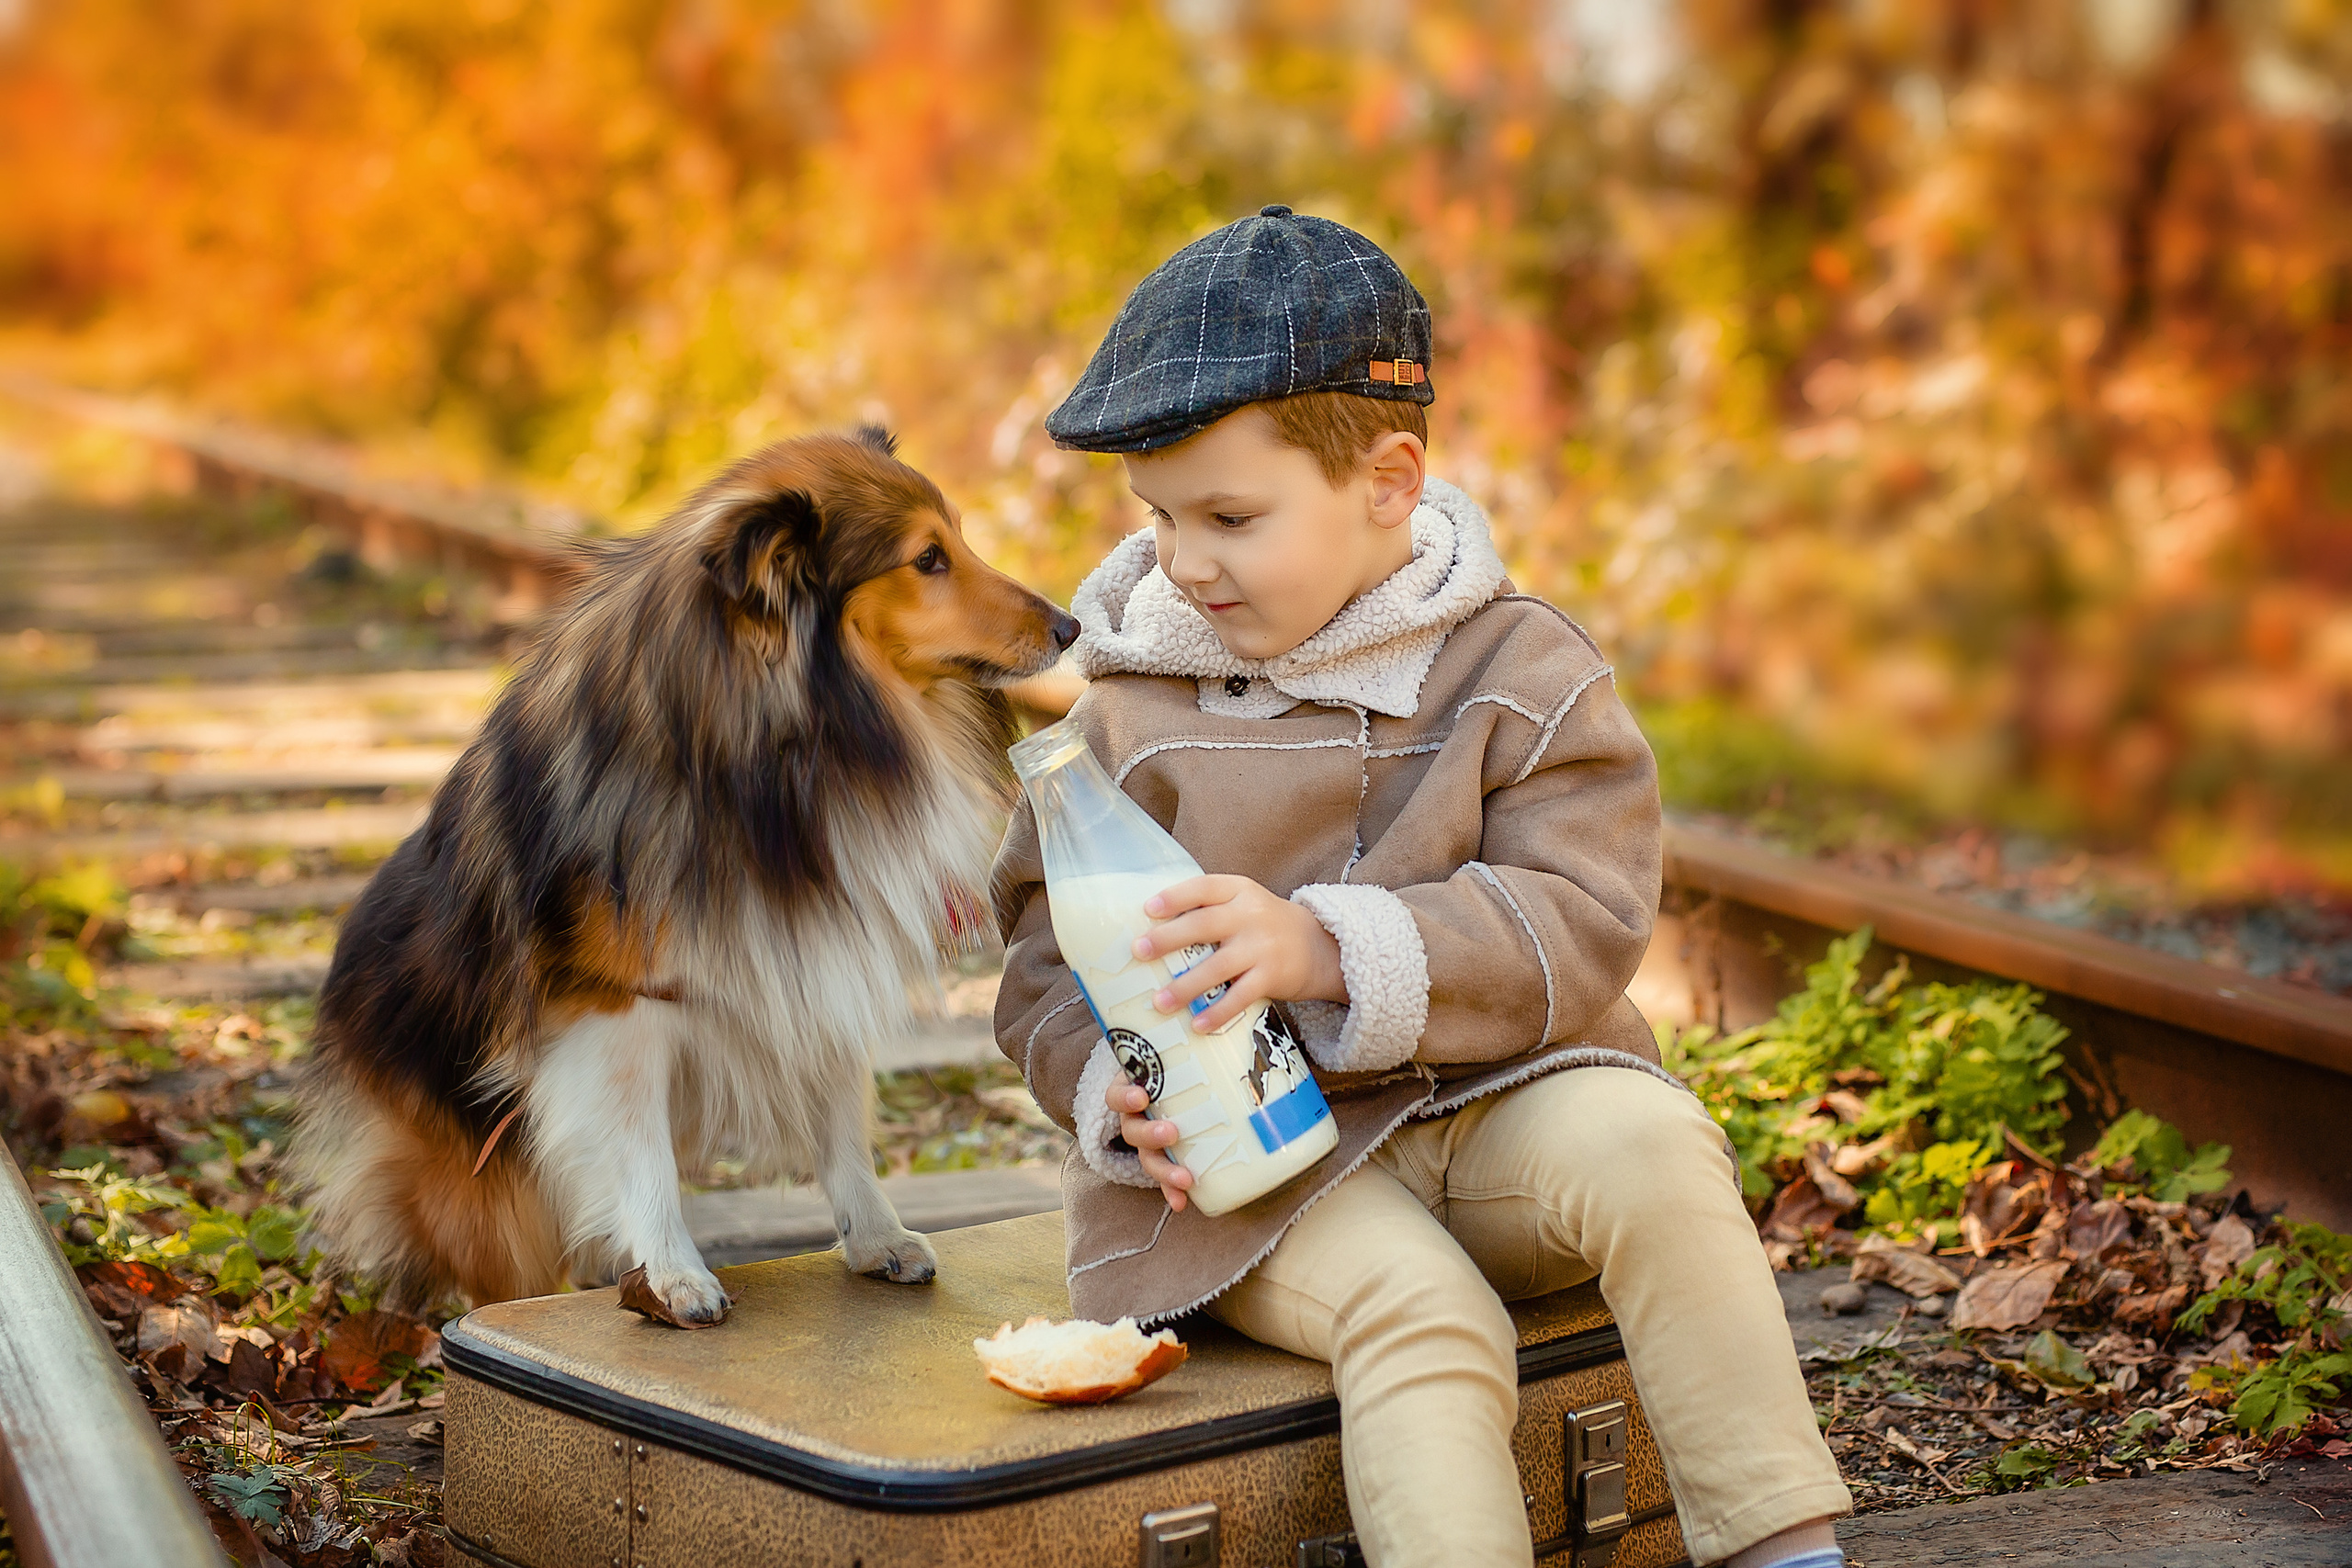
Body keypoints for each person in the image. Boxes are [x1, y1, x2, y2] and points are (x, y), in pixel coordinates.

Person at [989, 206, 1850, 1568]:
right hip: (1259, 1168)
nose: (1185, 562)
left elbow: (1586, 915)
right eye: (1159, 521)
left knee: (1660, 1155)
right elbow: (1043, 960)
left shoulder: (1523, 670)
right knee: (1426, 1313)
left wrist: (1328, 946)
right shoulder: (1127, 713)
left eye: (1231, 517)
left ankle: (1782, 1551)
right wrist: (1114, 1094)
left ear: (1389, 482)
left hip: (1500, 1103)